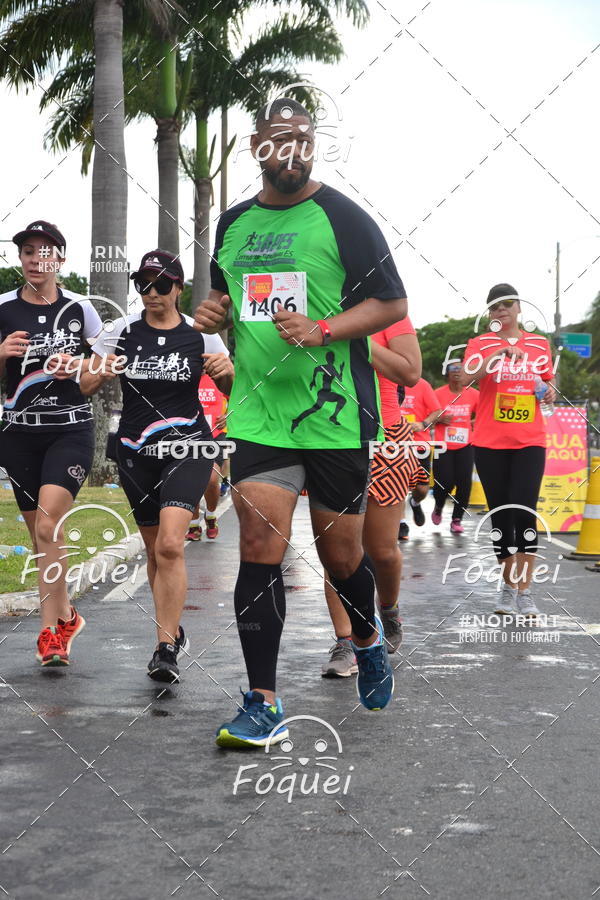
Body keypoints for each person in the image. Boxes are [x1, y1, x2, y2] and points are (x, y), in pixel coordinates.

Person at [195, 97, 407, 747]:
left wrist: (324, 330)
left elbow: (391, 303)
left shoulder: (343, 218)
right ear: (256, 146)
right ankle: (262, 701)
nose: (290, 150)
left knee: (342, 555)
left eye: (302, 139)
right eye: (277, 139)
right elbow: (232, 302)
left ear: (313, 146)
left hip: (334, 413)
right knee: (260, 547)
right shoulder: (232, 224)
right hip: (261, 411)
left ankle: (368, 637)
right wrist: (214, 316)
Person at [81, 250, 233, 682]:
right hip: (134, 449)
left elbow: (230, 385)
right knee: (154, 550)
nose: (151, 293)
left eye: (161, 284)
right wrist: (101, 371)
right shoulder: (121, 331)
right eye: (143, 284)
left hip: (188, 445)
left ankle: (165, 648)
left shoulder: (202, 336)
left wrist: (226, 372)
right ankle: (171, 629)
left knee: (170, 544)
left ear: (178, 289)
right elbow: (86, 383)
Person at [0, 221, 101, 667]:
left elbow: (103, 369)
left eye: (45, 252)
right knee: (44, 537)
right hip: (17, 435)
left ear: (60, 258)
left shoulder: (81, 309)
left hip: (69, 431)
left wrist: (79, 366)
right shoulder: (3, 308)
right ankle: (67, 620)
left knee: (46, 528)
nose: (35, 260)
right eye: (27, 252)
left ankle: (48, 635)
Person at [322, 314, 423, 677]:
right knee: (337, 552)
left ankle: (390, 610)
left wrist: (352, 337)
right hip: (331, 437)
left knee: (381, 550)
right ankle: (346, 641)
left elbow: (409, 371)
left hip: (387, 437)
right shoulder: (318, 305)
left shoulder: (389, 312)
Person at [461, 283, 555, 617]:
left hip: (530, 440)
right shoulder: (479, 343)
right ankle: (507, 585)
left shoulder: (540, 344)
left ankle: (525, 591)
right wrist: (496, 355)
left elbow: (548, 383)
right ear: (490, 314)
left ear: (518, 309)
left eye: (508, 305)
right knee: (500, 514)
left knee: (524, 511)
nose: (502, 311)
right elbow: (467, 377)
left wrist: (549, 393)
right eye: (495, 307)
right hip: (489, 441)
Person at [431, 364, 479, 533]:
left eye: (461, 369)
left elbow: (484, 412)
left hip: (465, 445)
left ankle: (457, 518)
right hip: (442, 445)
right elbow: (427, 417)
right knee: (444, 482)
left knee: (464, 483)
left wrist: (472, 423)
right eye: (454, 370)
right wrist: (440, 419)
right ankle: (438, 505)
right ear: (447, 374)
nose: (458, 372)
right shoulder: (437, 394)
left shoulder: (473, 394)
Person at [186, 359, 230, 541]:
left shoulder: (219, 377)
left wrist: (229, 415)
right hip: (188, 435)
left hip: (215, 434)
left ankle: (211, 515)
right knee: (190, 481)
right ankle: (194, 525)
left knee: (212, 479)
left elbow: (239, 399)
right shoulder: (185, 378)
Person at [398, 377, 441, 539]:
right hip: (395, 443)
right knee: (398, 485)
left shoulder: (422, 385)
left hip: (420, 444)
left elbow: (437, 411)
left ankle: (415, 502)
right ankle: (401, 523)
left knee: (422, 488)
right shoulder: (387, 381)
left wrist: (423, 424)